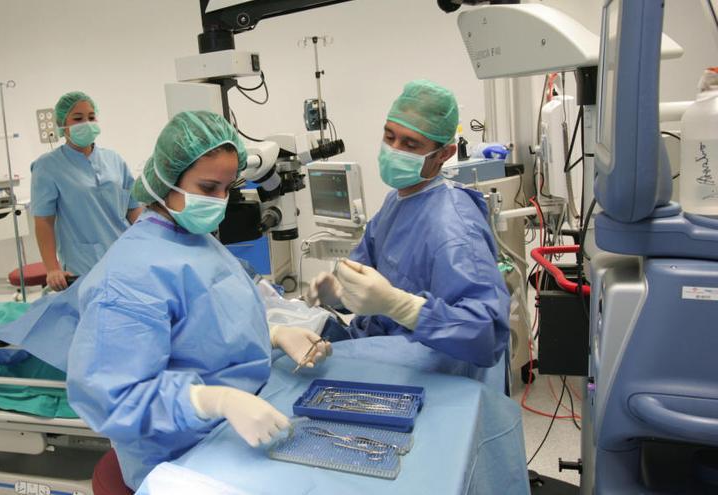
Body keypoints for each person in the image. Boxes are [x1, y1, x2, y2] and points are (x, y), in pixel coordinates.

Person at [66, 111, 330, 491]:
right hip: (177, 458)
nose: (220, 201)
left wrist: (273, 334)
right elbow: (114, 398)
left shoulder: (196, 239)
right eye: (208, 188)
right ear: (166, 180)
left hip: (233, 432)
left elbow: (208, 324)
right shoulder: (127, 277)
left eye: (227, 188)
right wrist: (213, 400)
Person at [307, 80, 510, 385]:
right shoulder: (397, 201)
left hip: (432, 376)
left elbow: (486, 333)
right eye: (389, 137)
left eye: (411, 144)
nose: (394, 150)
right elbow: (365, 270)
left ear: (445, 153)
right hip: (386, 355)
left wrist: (399, 306)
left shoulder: (455, 228)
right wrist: (338, 293)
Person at [31, 91, 143, 291]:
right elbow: (44, 222)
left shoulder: (114, 159)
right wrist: (52, 269)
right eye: (78, 118)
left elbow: (133, 209)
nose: (86, 123)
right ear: (62, 125)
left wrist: (152, 241)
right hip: (82, 264)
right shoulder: (48, 166)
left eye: (91, 117)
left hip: (125, 255)